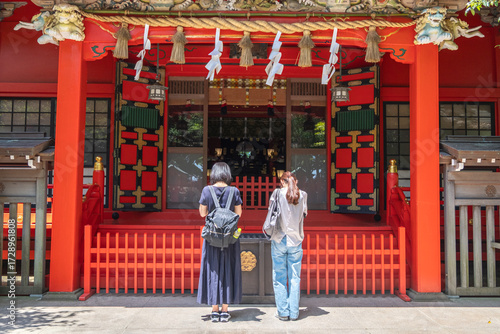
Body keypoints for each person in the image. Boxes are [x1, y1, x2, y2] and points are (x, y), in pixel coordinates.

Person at [197, 162, 243, 322]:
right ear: (227, 174)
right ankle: (225, 310)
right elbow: (238, 214)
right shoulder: (234, 191)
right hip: (229, 238)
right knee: (229, 269)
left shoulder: (206, 190)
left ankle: (214, 310)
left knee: (212, 270)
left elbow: (203, 214)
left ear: (214, 174)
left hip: (212, 238)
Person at [269, 171, 307, 321]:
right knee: (294, 277)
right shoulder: (303, 194)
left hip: (279, 238)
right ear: (295, 181)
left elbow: (271, 213)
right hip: (296, 239)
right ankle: (295, 313)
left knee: (279, 276)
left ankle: (283, 312)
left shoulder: (277, 193)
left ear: (282, 182)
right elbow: (304, 215)